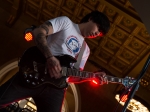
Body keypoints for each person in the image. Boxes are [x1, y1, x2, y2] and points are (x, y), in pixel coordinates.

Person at [0, 10, 110, 112]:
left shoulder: (85, 50)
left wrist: (93, 76)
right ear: (91, 19)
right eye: (98, 28)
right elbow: (39, 31)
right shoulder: (66, 23)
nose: (97, 33)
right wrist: (50, 57)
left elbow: (72, 76)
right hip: (35, 72)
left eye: (100, 34)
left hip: (55, 89)